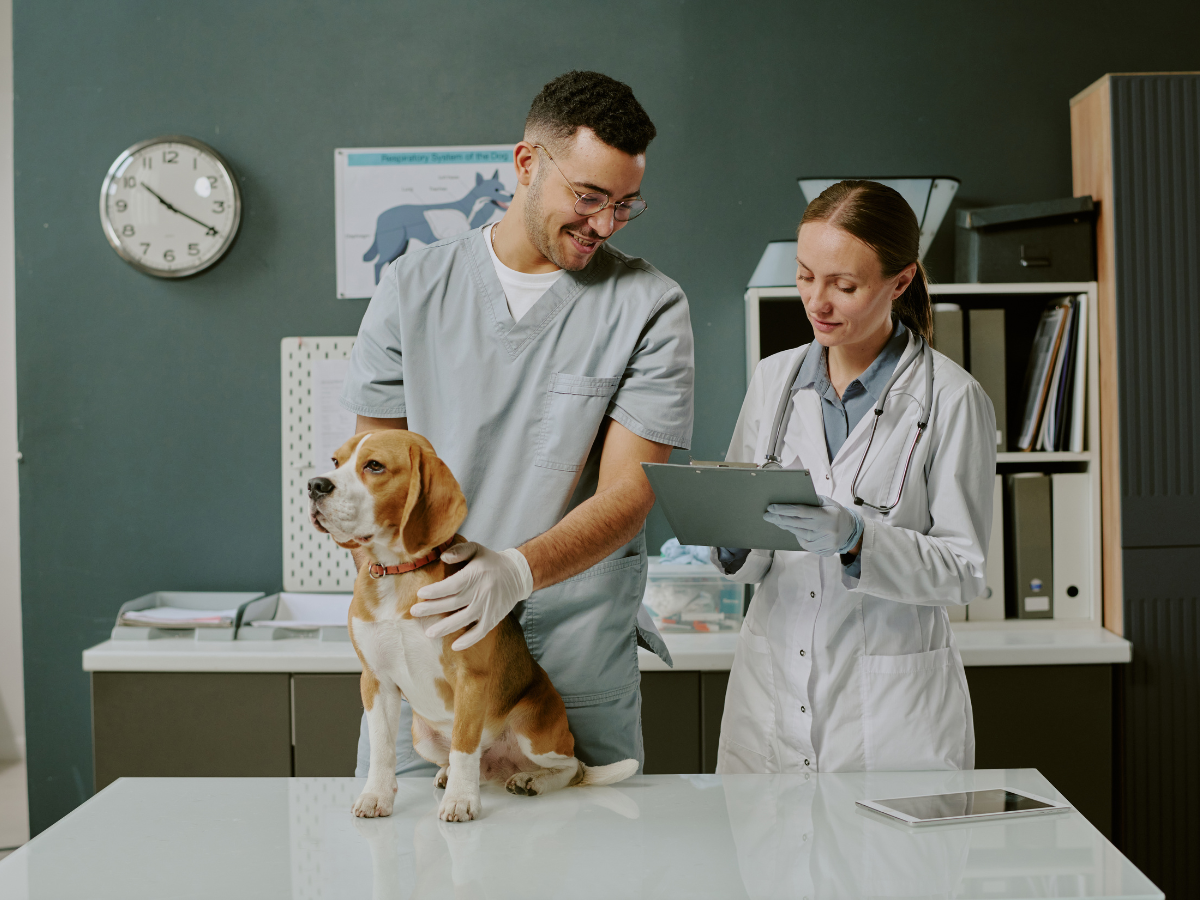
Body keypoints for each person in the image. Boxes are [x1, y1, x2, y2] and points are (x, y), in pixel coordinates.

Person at [339, 71, 695, 777]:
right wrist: (395, 631)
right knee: (415, 872)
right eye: (588, 197)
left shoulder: (649, 307)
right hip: (429, 662)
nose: (604, 223)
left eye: (625, 205)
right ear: (528, 164)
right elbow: (366, 490)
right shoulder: (410, 292)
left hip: (571, 669)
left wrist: (516, 571)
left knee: (583, 870)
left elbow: (632, 492)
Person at [714, 180, 996, 774]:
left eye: (844, 285)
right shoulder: (773, 381)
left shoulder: (951, 398)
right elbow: (751, 549)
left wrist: (858, 539)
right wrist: (733, 535)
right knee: (766, 862)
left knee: (891, 865)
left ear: (901, 281)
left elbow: (964, 571)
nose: (817, 301)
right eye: (804, 275)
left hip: (892, 712)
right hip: (771, 693)